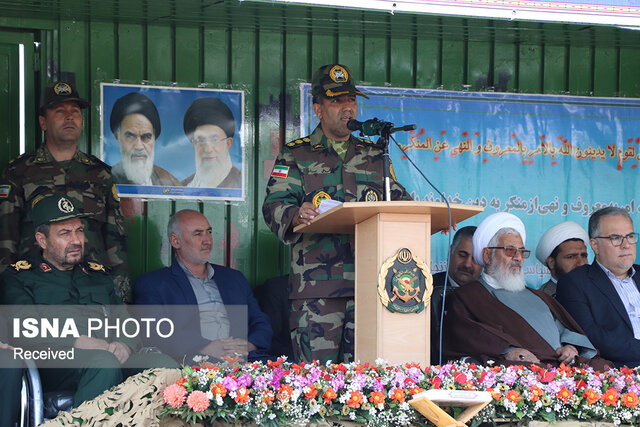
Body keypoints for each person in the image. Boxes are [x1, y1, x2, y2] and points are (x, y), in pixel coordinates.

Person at [262, 63, 412, 363]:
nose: (347, 108)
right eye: (337, 101)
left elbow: (400, 202)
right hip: (317, 290)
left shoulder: (374, 155)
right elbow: (274, 204)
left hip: (371, 288)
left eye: (351, 100)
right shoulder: (296, 154)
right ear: (318, 108)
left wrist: (424, 218)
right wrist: (296, 213)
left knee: (367, 384)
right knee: (318, 386)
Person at [0, 194, 176, 407]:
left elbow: (125, 323)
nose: (75, 241)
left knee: (165, 366)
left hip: (108, 356)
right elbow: (24, 328)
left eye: (79, 231)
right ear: (42, 240)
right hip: (52, 362)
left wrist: (125, 345)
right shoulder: (20, 277)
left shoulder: (97, 275)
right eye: (64, 233)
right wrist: (76, 341)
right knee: (104, 363)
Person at [0, 81, 132, 303]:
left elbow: (115, 240)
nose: (69, 117)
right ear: (43, 122)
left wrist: (122, 296)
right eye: (60, 111)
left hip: (93, 290)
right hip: (36, 290)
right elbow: (6, 238)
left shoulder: (101, 173)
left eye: (75, 111)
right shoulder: (19, 171)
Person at [443, 212, 609, 369]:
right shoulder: (468, 296)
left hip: (561, 365)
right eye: (510, 250)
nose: (517, 257)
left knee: (604, 368)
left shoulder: (539, 296)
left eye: (522, 251)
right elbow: (468, 336)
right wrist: (508, 351)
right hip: (526, 368)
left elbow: (564, 329)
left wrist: (571, 347)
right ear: (487, 255)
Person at [134, 209, 272, 363]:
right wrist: (204, 347)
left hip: (246, 361)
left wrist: (250, 345)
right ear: (175, 241)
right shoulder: (153, 284)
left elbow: (260, 321)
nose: (207, 240)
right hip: (192, 362)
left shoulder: (234, 279)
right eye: (198, 234)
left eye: (209, 232)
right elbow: (156, 332)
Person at [557, 207, 640, 368]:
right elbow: (591, 337)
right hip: (623, 373)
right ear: (595, 245)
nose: (626, 245)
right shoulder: (575, 283)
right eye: (616, 238)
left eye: (630, 236)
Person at [430, 225, 482, 364]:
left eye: (475, 259)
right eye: (462, 255)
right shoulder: (429, 288)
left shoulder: (489, 295)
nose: (467, 264)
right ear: (451, 251)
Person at [109, 92, 180, 186]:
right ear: (117, 136)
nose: (139, 147)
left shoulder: (170, 182)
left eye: (146, 137)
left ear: (154, 137)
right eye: (130, 136)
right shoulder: (105, 180)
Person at [181, 97, 241, 188]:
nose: (208, 149)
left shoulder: (242, 185)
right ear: (194, 144)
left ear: (228, 143)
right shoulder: (182, 187)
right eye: (201, 140)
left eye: (215, 140)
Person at [535, 221, 589, 298]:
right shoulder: (543, 299)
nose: (581, 263)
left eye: (584, 256)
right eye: (571, 257)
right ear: (551, 262)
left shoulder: (597, 291)